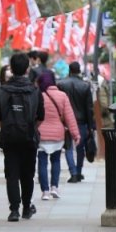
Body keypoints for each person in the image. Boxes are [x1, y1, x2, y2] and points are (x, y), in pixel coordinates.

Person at [0, 53, 42, 222]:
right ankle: (26, 208)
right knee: (28, 174)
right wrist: (29, 128)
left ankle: (14, 210)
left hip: (9, 138)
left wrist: (8, 128)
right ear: (27, 69)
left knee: (12, 174)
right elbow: (41, 116)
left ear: (11, 68)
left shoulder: (3, 90)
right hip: (29, 138)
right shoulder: (35, 91)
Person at [36, 70, 79, 201]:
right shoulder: (62, 96)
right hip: (58, 135)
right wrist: (75, 134)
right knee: (56, 161)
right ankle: (54, 187)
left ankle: (45, 191)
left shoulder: (38, 96)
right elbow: (69, 117)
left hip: (41, 135)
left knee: (42, 163)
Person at [56, 61, 95, 183]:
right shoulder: (85, 86)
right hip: (82, 121)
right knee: (80, 147)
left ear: (69, 70)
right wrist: (91, 126)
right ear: (79, 71)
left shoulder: (61, 84)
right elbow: (89, 108)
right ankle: (78, 171)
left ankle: (72, 172)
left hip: (66, 121)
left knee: (68, 147)